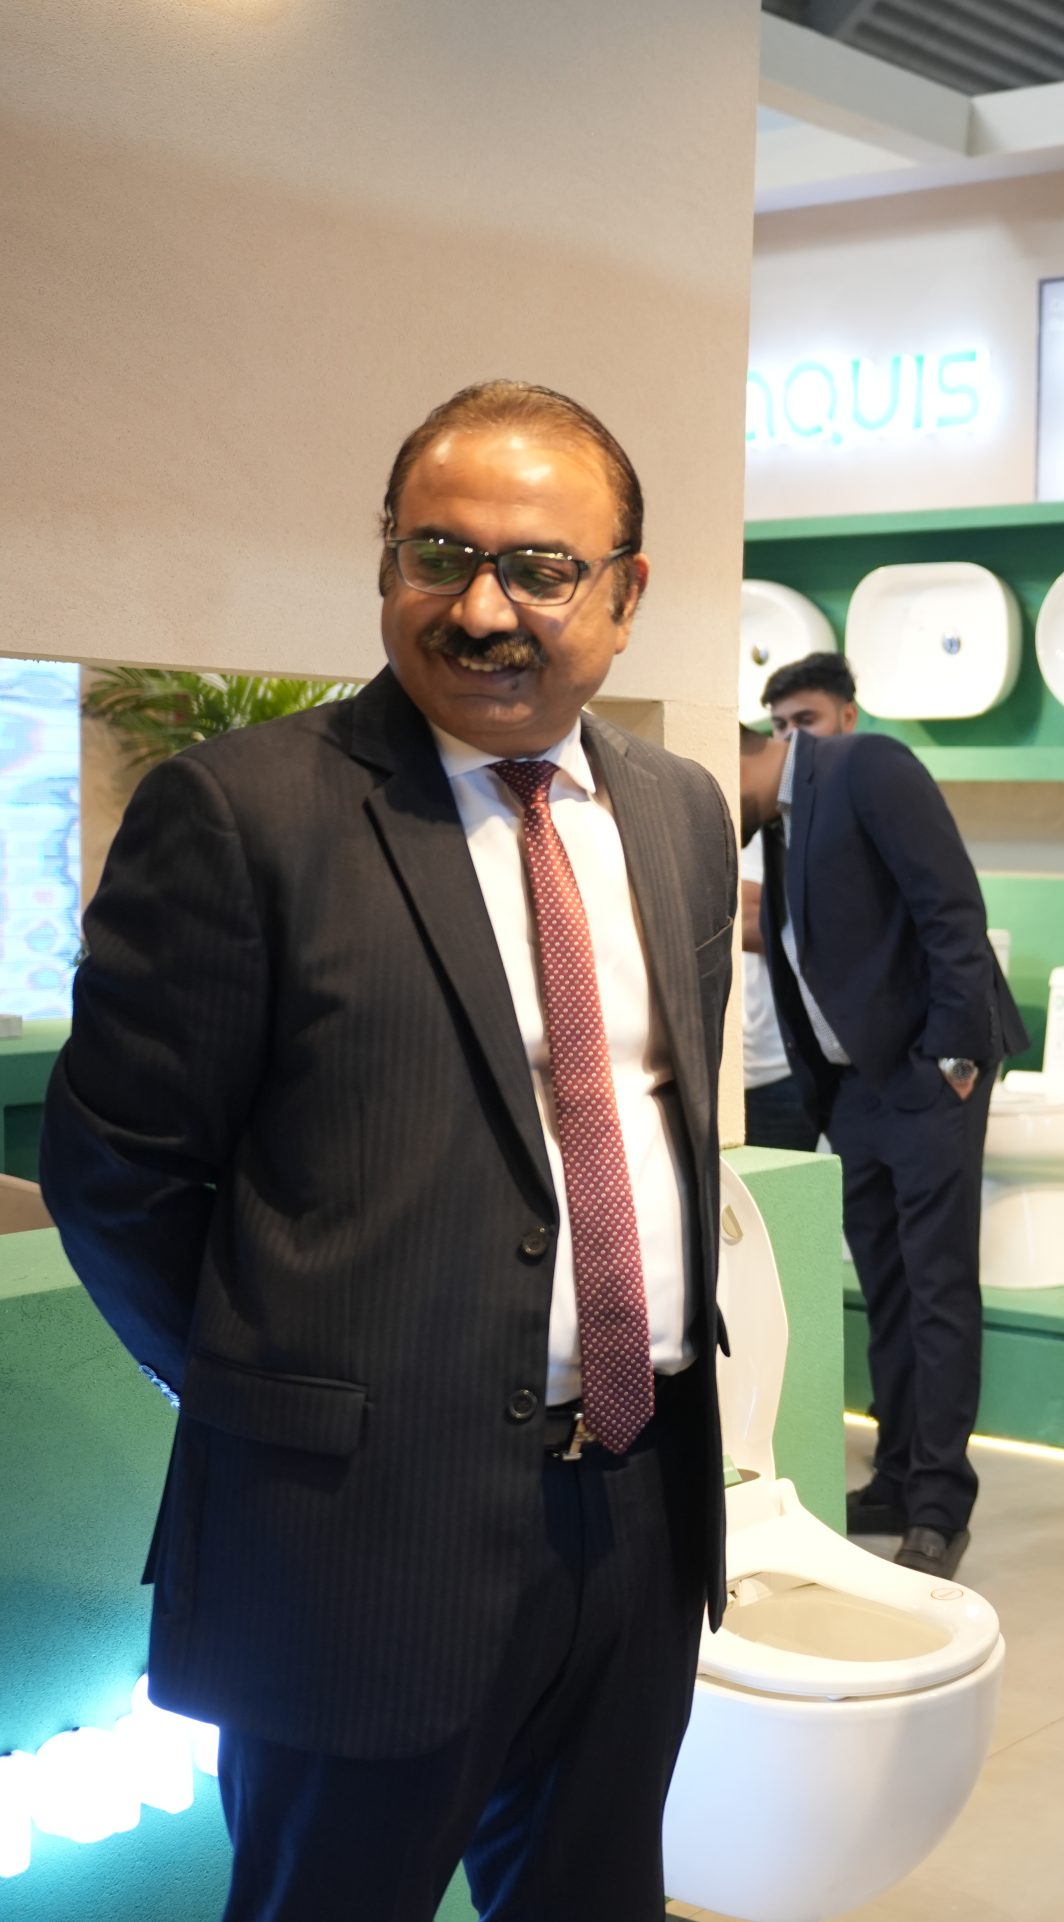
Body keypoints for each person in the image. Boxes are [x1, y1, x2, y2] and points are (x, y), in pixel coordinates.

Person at [42, 380, 737, 1921]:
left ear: (626, 595)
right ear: (386, 561)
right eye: (441, 554)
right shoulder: (244, 814)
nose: (482, 607)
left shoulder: (682, 814)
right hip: (355, 1543)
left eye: (540, 569)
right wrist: (281, 1394)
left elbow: (655, 1121)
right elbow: (117, 1170)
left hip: (638, 1511)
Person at [736, 705, 1024, 1579]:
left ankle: (940, 1503)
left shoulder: (864, 766)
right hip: (855, 1086)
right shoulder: (782, 822)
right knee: (888, 1288)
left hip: (930, 1076)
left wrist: (956, 1057)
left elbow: (951, 908)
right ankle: (897, 1475)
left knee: (936, 1288)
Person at [739, 653, 859, 1154]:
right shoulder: (765, 806)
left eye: (805, 720)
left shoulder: (859, 805)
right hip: (761, 1059)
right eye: (779, 724)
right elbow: (746, 916)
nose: (790, 738)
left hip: (831, 1054)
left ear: (847, 717)